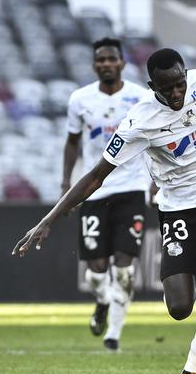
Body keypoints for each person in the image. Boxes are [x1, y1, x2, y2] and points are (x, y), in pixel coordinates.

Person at [13, 48, 196, 374]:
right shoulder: (138, 122)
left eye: (180, 83)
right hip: (177, 208)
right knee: (179, 307)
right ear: (153, 86)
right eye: (169, 88)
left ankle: (190, 372)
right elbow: (95, 176)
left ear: (186, 75)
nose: (177, 93)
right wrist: (49, 219)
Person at [62, 37, 150, 351]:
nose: (106, 64)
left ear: (122, 63)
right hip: (94, 190)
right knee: (97, 272)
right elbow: (72, 142)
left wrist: (157, 178)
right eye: (101, 60)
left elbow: (152, 139)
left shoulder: (141, 98)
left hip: (132, 187)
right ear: (94, 65)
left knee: (124, 269)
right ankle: (101, 301)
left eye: (112, 59)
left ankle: (113, 334)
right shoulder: (80, 99)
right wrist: (66, 184)